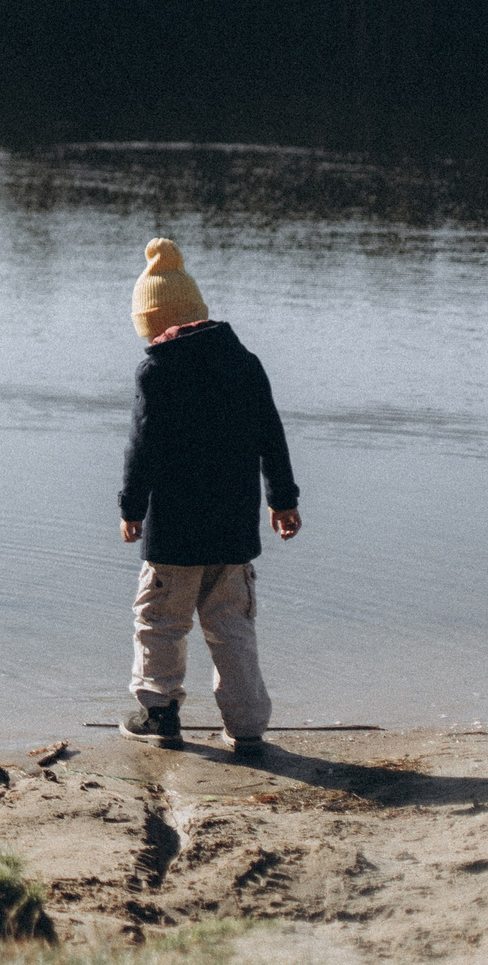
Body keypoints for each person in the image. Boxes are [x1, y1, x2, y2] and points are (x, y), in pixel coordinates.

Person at [116, 238, 301, 760]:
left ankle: (159, 716)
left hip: (173, 531)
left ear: (154, 321)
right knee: (232, 626)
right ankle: (246, 727)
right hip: (232, 529)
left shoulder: (158, 371)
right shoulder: (244, 363)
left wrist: (131, 508)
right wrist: (282, 500)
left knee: (160, 622)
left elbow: (142, 447)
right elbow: (272, 434)